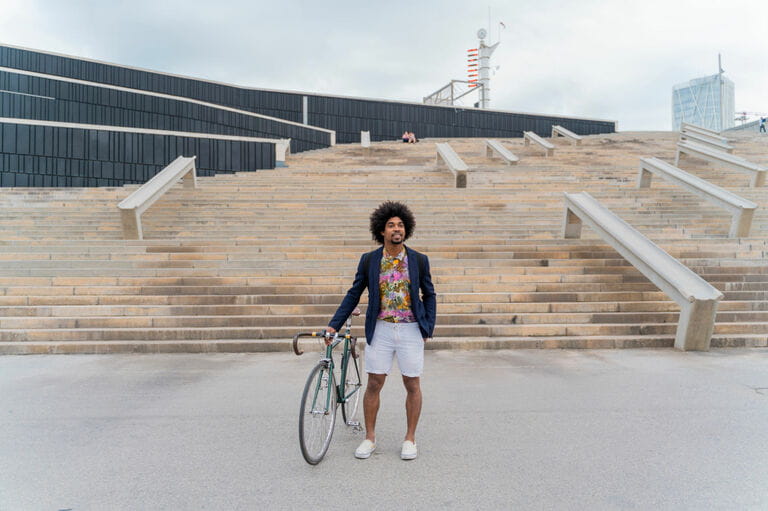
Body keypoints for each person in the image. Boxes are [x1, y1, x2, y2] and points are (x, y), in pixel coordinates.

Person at [327, 201, 436, 461]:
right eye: (390, 225)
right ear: (382, 231)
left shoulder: (419, 260)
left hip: (410, 329)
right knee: (374, 383)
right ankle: (370, 438)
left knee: (412, 383)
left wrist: (428, 325)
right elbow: (354, 293)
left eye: (400, 225)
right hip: (381, 329)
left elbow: (429, 294)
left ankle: (410, 439)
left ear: (406, 229)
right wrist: (334, 323)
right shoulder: (369, 260)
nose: (396, 229)